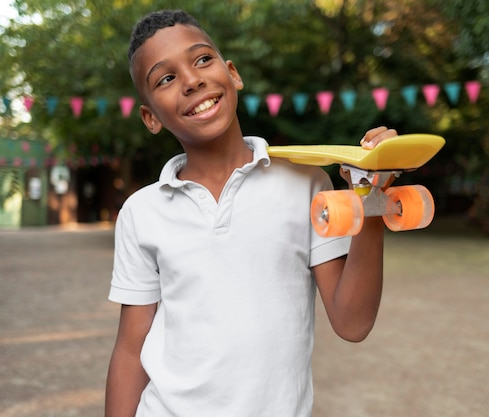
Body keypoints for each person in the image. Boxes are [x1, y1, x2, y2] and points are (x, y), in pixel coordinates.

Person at [106, 9, 397, 417]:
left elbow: (352, 323)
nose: (192, 81)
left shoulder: (306, 184)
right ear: (150, 117)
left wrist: (371, 200)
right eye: (166, 78)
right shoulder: (142, 212)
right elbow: (129, 349)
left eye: (202, 59)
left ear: (233, 74)